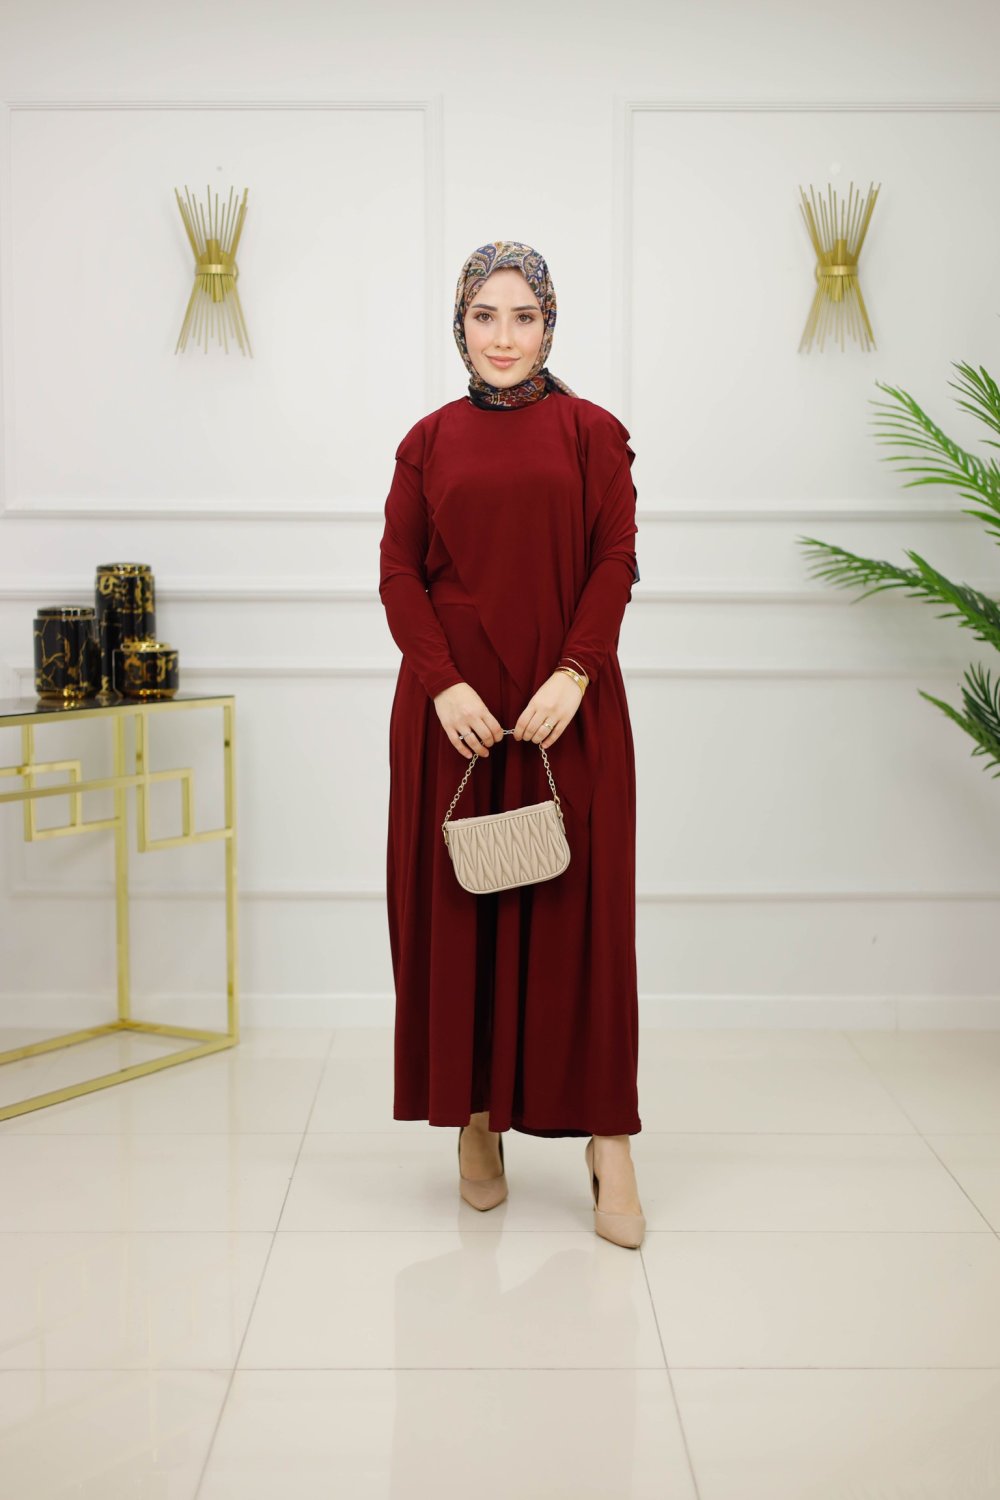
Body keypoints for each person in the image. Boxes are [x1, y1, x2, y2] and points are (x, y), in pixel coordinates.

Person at [378, 240, 644, 1247]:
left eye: (522, 316)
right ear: (459, 324)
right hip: (455, 719)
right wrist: (441, 683)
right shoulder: (427, 442)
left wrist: (576, 672)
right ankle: (476, 1121)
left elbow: (614, 559)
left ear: (549, 324)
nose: (503, 337)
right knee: (462, 915)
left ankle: (609, 1139)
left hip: (565, 706)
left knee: (585, 921)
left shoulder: (592, 432)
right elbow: (398, 573)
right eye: (483, 316)